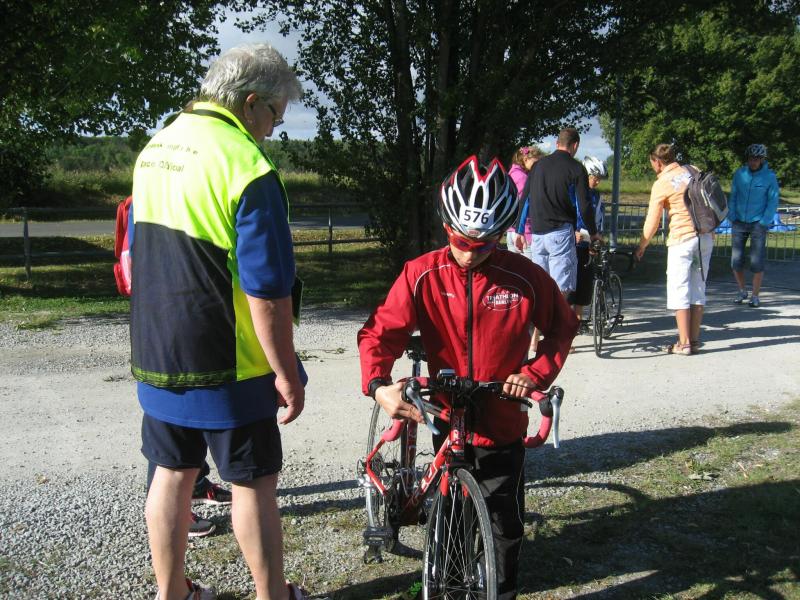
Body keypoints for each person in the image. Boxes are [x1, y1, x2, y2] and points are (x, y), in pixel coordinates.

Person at [131, 44, 314, 600]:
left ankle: (172, 594)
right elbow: (267, 291)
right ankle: (272, 595)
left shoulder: (157, 146)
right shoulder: (247, 166)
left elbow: (138, 253)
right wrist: (286, 372)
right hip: (228, 359)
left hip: (157, 349)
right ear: (251, 103)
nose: (273, 130)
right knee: (253, 482)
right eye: (275, 117)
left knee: (171, 472)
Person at [358, 156, 578, 600]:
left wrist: (534, 372)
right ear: (446, 227)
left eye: (484, 244)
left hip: (502, 419)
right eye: (461, 241)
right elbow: (380, 333)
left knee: (504, 526)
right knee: (449, 522)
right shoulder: (421, 273)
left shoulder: (524, 277)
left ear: (501, 235)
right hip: (446, 413)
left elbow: (562, 326)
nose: (470, 253)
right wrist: (379, 385)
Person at [634, 143, 711, 355]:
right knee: (698, 287)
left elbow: (653, 221)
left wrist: (642, 245)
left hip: (682, 239)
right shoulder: (693, 170)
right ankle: (694, 340)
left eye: (652, 163)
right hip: (705, 236)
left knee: (680, 288)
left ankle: (683, 343)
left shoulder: (662, 183)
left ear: (657, 162)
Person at [520, 127, 602, 300]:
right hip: (560, 233)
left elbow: (525, 199)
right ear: (575, 145)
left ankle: (542, 318)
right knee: (561, 289)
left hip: (537, 234)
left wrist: (519, 231)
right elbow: (584, 206)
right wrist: (593, 232)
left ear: (557, 143)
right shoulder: (576, 168)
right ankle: (554, 317)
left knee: (540, 287)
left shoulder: (538, 166)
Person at [728, 143, 780, 308]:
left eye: (757, 159)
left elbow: (773, 200)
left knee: (756, 261)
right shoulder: (740, 174)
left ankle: (755, 296)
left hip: (758, 223)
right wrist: (732, 215)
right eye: (751, 158)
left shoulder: (769, 176)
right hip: (739, 222)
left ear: (762, 159)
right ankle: (742, 290)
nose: (753, 161)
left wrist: (764, 221)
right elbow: (733, 195)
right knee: (736, 260)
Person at [570, 157, 607, 335]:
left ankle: (578, 322)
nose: (597, 181)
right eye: (594, 177)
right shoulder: (572, 190)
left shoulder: (596, 196)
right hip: (572, 241)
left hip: (588, 241)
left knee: (584, 284)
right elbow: (566, 213)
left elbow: (599, 218)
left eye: (599, 178)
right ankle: (567, 320)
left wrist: (597, 237)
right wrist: (573, 231)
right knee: (570, 284)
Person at [505, 145, 544, 255]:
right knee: (529, 265)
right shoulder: (523, 178)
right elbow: (525, 204)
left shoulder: (512, 174)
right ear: (526, 159)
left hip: (511, 230)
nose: (538, 166)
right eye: (536, 162)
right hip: (524, 231)